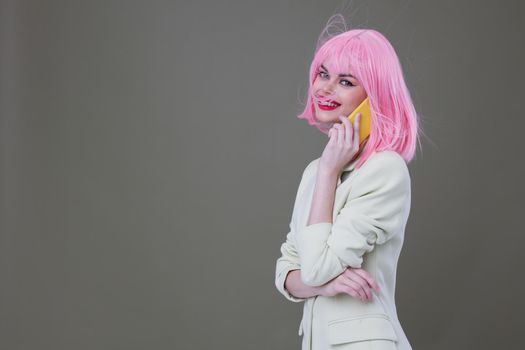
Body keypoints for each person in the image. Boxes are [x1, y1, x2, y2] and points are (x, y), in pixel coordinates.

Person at [274, 15, 421, 350]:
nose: (324, 88)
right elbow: (286, 271)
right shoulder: (317, 171)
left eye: (345, 81)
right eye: (323, 74)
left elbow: (315, 268)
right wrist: (324, 286)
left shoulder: (385, 170)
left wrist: (328, 172)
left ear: (375, 98)